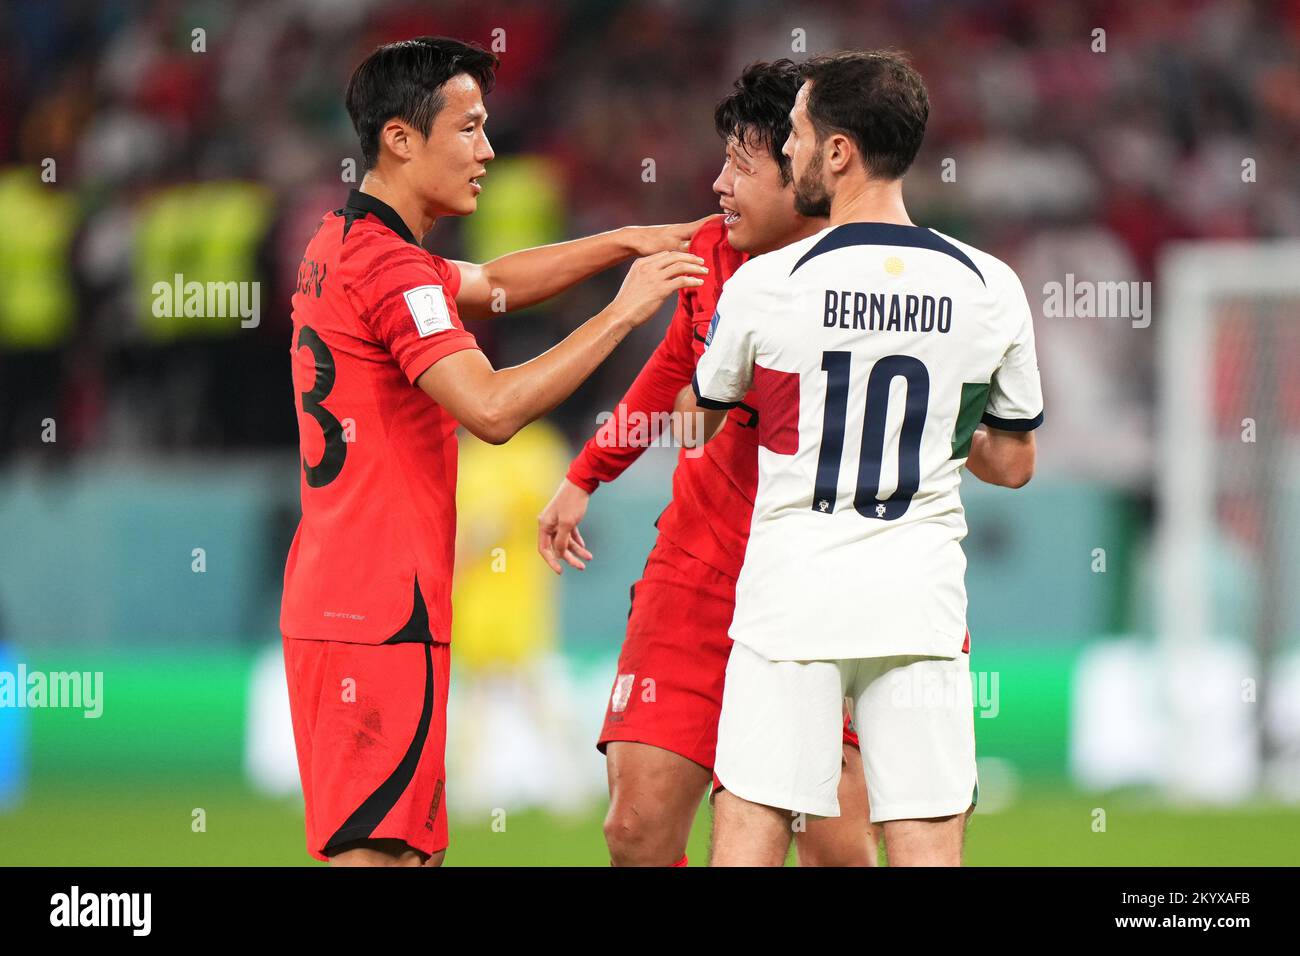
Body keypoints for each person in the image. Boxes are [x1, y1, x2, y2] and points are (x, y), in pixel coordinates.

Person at [279, 36, 708, 867]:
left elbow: (496, 283)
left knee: (407, 854)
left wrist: (625, 241)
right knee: (380, 858)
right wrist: (626, 312)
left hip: (358, 599)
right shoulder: (393, 271)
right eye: (469, 129)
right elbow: (494, 407)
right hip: (375, 613)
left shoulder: (344, 242)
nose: (488, 151)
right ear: (402, 138)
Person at [679, 50, 1043, 867]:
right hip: (918, 603)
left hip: (791, 600)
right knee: (923, 838)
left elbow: (694, 425)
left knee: (750, 827)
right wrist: (941, 431)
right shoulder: (991, 285)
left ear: (838, 152)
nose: (790, 154)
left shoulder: (768, 283)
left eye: (799, 136)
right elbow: (1014, 463)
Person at [538, 61, 876, 867]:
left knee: (833, 848)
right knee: (635, 830)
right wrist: (587, 472)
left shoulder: (872, 279)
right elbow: (670, 371)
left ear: (805, 170)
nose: (718, 183)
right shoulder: (708, 252)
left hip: (815, 586)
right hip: (697, 568)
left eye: (743, 165)